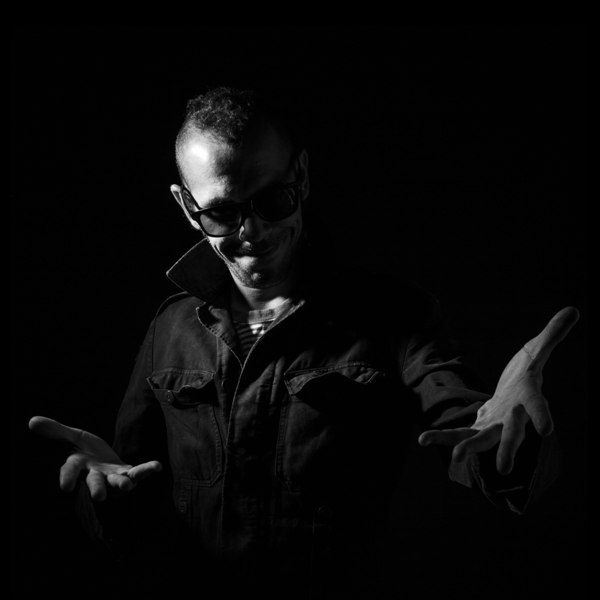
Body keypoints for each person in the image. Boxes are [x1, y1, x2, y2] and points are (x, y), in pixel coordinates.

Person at [29, 87, 579, 599]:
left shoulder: (395, 314)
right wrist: (106, 497)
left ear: (303, 176)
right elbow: (135, 503)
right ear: (186, 206)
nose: (252, 232)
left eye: (273, 200)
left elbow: (474, 441)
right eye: (222, 212)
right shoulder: (169, 329)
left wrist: (515, 437)